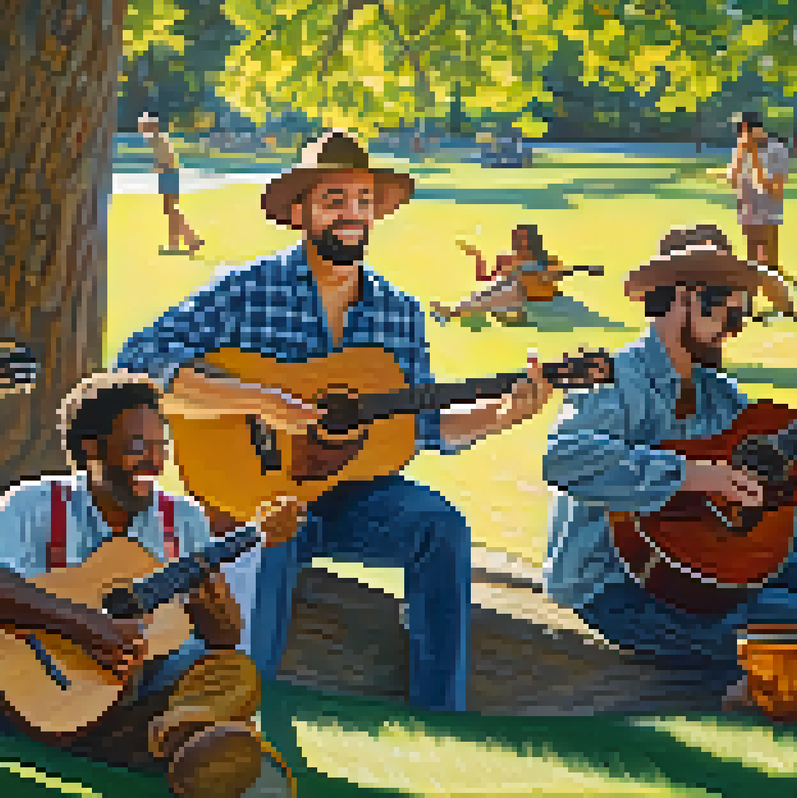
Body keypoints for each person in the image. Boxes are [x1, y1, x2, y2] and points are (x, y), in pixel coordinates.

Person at [116, 130, 556, 713]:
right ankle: (246, 712)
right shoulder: (247, 290)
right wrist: (260, 402)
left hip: (356, 495)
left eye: (363, 201)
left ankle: (440, 710)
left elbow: (419, 427)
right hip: (258, 492)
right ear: (301, 211)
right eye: (334, 200)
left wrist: (502, 415)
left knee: (440, 526)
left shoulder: (398, 314)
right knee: (273, 536)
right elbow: (137, 362)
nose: (352, 214)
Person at [540, 229, 797, 712]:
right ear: (685, 298)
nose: (735, 327)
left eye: (742, 314)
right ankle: (764, 693)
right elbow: (564, 457)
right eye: (728, 312)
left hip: (708, 566)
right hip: (614, 583)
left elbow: (782, 498)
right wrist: (696, 475)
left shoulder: (718, 393)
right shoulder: (616, 379)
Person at [0, 372, 303, 797]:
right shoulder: (35, 503)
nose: (154, 463)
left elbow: (223, 638)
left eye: (161, 447)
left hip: (145, 690)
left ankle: (174, 739)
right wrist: (83, 624)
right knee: (221, 708)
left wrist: (213, 601)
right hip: (51, 688)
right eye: (138, 446)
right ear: (91, 448)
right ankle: (195, 749)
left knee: (236, 672)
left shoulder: (183, 519)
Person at [431, 223, 600, 325]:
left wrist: (583, 269)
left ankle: (452, 312)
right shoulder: (507, 259)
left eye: (525, 239)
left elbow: (555, 275)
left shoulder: (547, 260)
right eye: (518, 239)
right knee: (497, 289)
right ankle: (455, 311)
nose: (521, 243)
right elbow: (486, 278)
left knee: (506, 291)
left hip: (529, 298)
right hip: (506, 294)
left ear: (534, 241)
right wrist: (477, 256)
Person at [724, 112, 797, 319]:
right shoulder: (740, 150)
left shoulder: (776, 150)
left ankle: (784, 306)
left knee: (769, 263)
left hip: (769, 214)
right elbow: (733, 181)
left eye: (743, 130)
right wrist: (740, 155)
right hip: (747, 213)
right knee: (751, 262)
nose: (740, 135)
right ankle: (747, 305)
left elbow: (773, 189)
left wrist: (754, 155)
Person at [139, 113, 204, 256]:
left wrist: (158, 168)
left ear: (151, 126)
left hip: (168, 175)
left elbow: (168, 160)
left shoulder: (156, 140)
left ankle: (192, 238)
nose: (141, 128)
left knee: (172, 210)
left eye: (143, 125)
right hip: (169, 175)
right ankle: (175, 243)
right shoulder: (158, 138)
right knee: (170, 211)